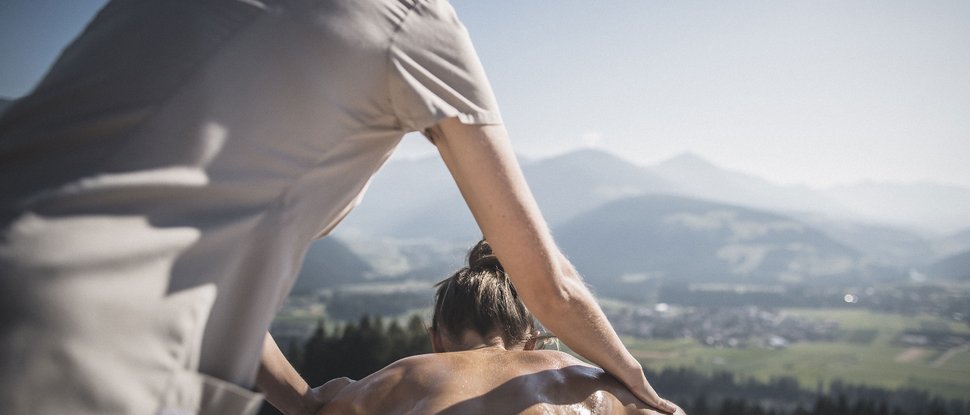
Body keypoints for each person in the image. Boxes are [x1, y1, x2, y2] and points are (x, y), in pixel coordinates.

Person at [0, 0, 681, 414]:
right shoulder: (414, 21)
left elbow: (213, 279)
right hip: (94, 337)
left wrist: (312, 402)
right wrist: (638, 383)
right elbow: (549, 286)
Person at [318, 240, 684, 415]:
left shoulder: (398, 381)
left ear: (436, 341)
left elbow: (314, 405)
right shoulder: (595, 390)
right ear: (533, 343)